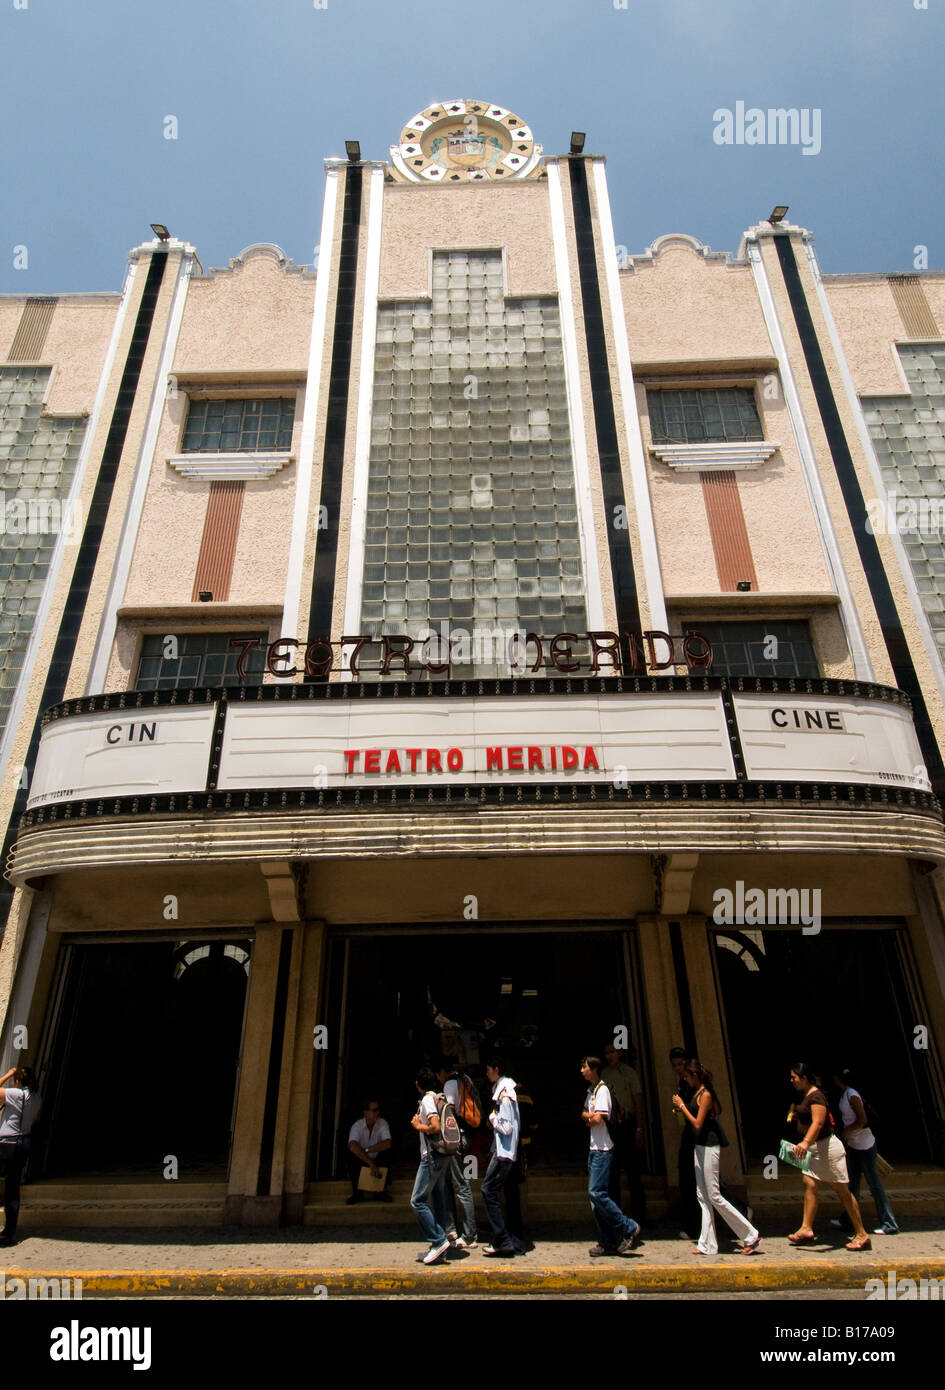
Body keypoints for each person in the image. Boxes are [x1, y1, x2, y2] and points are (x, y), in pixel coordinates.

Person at [672, 1060, 761, 1255]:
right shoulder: (696, 1093)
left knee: (713, 1194)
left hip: (710, 1146)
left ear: (695, 1076)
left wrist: (682, 1107)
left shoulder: (705, 1095)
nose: (685, 1079)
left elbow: (697, 1124)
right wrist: (681, 1108)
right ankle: (707, 1244)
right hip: (699, 1146)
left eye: (687, 1076)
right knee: (702, 1195)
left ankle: (750, 1234)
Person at [785, 1062, 870, 1251]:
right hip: (814, 1150)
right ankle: (806, 1228)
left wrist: (805, 1141)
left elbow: (818, 1122)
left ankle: (862, 1234)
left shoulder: (816, 1096)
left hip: (826, 1150)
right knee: (810, 1183)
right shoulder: (806, 1096)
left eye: (794, 1077)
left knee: (842, 1191)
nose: (791, 1081)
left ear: (804, 1077)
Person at [581, 1055, 641, 1258]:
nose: (582, 1070)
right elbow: (584, 1114)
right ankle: (606, 1241)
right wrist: (590, 1117)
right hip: (593, 1148)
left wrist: (590, 1117)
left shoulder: (603, 1090)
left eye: (584, 1067)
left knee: (597, 1193)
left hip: (604, 1149)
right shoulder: (590, 1091)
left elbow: (598, 1117)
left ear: (593, 1069)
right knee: (594, 1198)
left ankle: (628, 1226)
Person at [829, 1068, 898, 1236]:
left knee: (874, 1185)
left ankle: (889, 1223)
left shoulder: (852, 1095)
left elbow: (863, 1119)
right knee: (851, 1184)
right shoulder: (846, 1094)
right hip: (853, 1145)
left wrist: (847, 1131)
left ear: (839, 1079)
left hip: (865, 1145)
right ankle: (848, 1219)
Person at [480, 1058, 526, 1257]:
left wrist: (492, 1119)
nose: (487, 1074)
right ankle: (507, 1240)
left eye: (488, 1070)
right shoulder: (504, 1091)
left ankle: (503, 1239)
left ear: (496, 1070)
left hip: (504, 1153)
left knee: (488, 1190)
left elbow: (507, 1127)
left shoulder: (505, 1095)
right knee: (500, 1193)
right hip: (504, 1151)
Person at [409, 1066, 452, 1265]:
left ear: (418, 1085)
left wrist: (419, 1126)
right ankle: (440, 1247)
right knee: (438, 1199)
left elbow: (434, 1126)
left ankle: (438, 1240)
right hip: (441, 1155)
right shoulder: (437, 1097)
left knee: (417, 1201)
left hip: (431, 1156)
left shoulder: (427, 1100)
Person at [602, 1041, 647, 1224]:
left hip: (628, 1124)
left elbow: (638, 1102)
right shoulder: (604, 1074)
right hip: (611, 1125)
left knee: (633, 1171)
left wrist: (639, 1128)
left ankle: (640, 1215)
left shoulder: (630, 1073)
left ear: (620, 1053)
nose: (609, 1056)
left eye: (612, 1052)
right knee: (612, 1172)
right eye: (607, 1052)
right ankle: (616, 1215)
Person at [436, 1057, 478, 1248]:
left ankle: (469, 1234)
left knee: (461, 1185)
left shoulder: (450, 1084)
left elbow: (449, 1114)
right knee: (450, 1181)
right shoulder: (466, 1079)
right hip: (467, 1135)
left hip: (456, 1138)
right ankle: (452, 1228)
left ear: (442, 1072)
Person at [0, 1065, 42, 1247]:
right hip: (24, 1142)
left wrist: (8, 1073)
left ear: (17, 1080)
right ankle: (9, 1232)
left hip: (7, 1143)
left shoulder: (15, 1094)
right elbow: (35, 1120)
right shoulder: (36, 1099)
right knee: (12, 1188)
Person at [669, 1047, 702, 1240]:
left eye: (680, 1064)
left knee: (705, 1184)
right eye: (674, 1065)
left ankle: (739, 1211)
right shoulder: (683, 1082)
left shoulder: (695, 1085)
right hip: (689, 1133)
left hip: (698, 1136)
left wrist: (681, 1106)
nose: (678, 1069)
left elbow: (698, 1114)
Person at [346, 1097, 392, 1205]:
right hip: (364, 1161)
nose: (377, 1113)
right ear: (366, 1112)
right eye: (374, 1110)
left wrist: (367, 1150)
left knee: (387, 1154)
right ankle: (357, 1193)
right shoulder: (357, 1126)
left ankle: (381, 1191)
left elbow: (387, 1143)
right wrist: (370, 1163)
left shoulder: (382, 1123)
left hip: (375, 1158)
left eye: (378, 1110)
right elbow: (352, 1146)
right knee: (352, 1157)